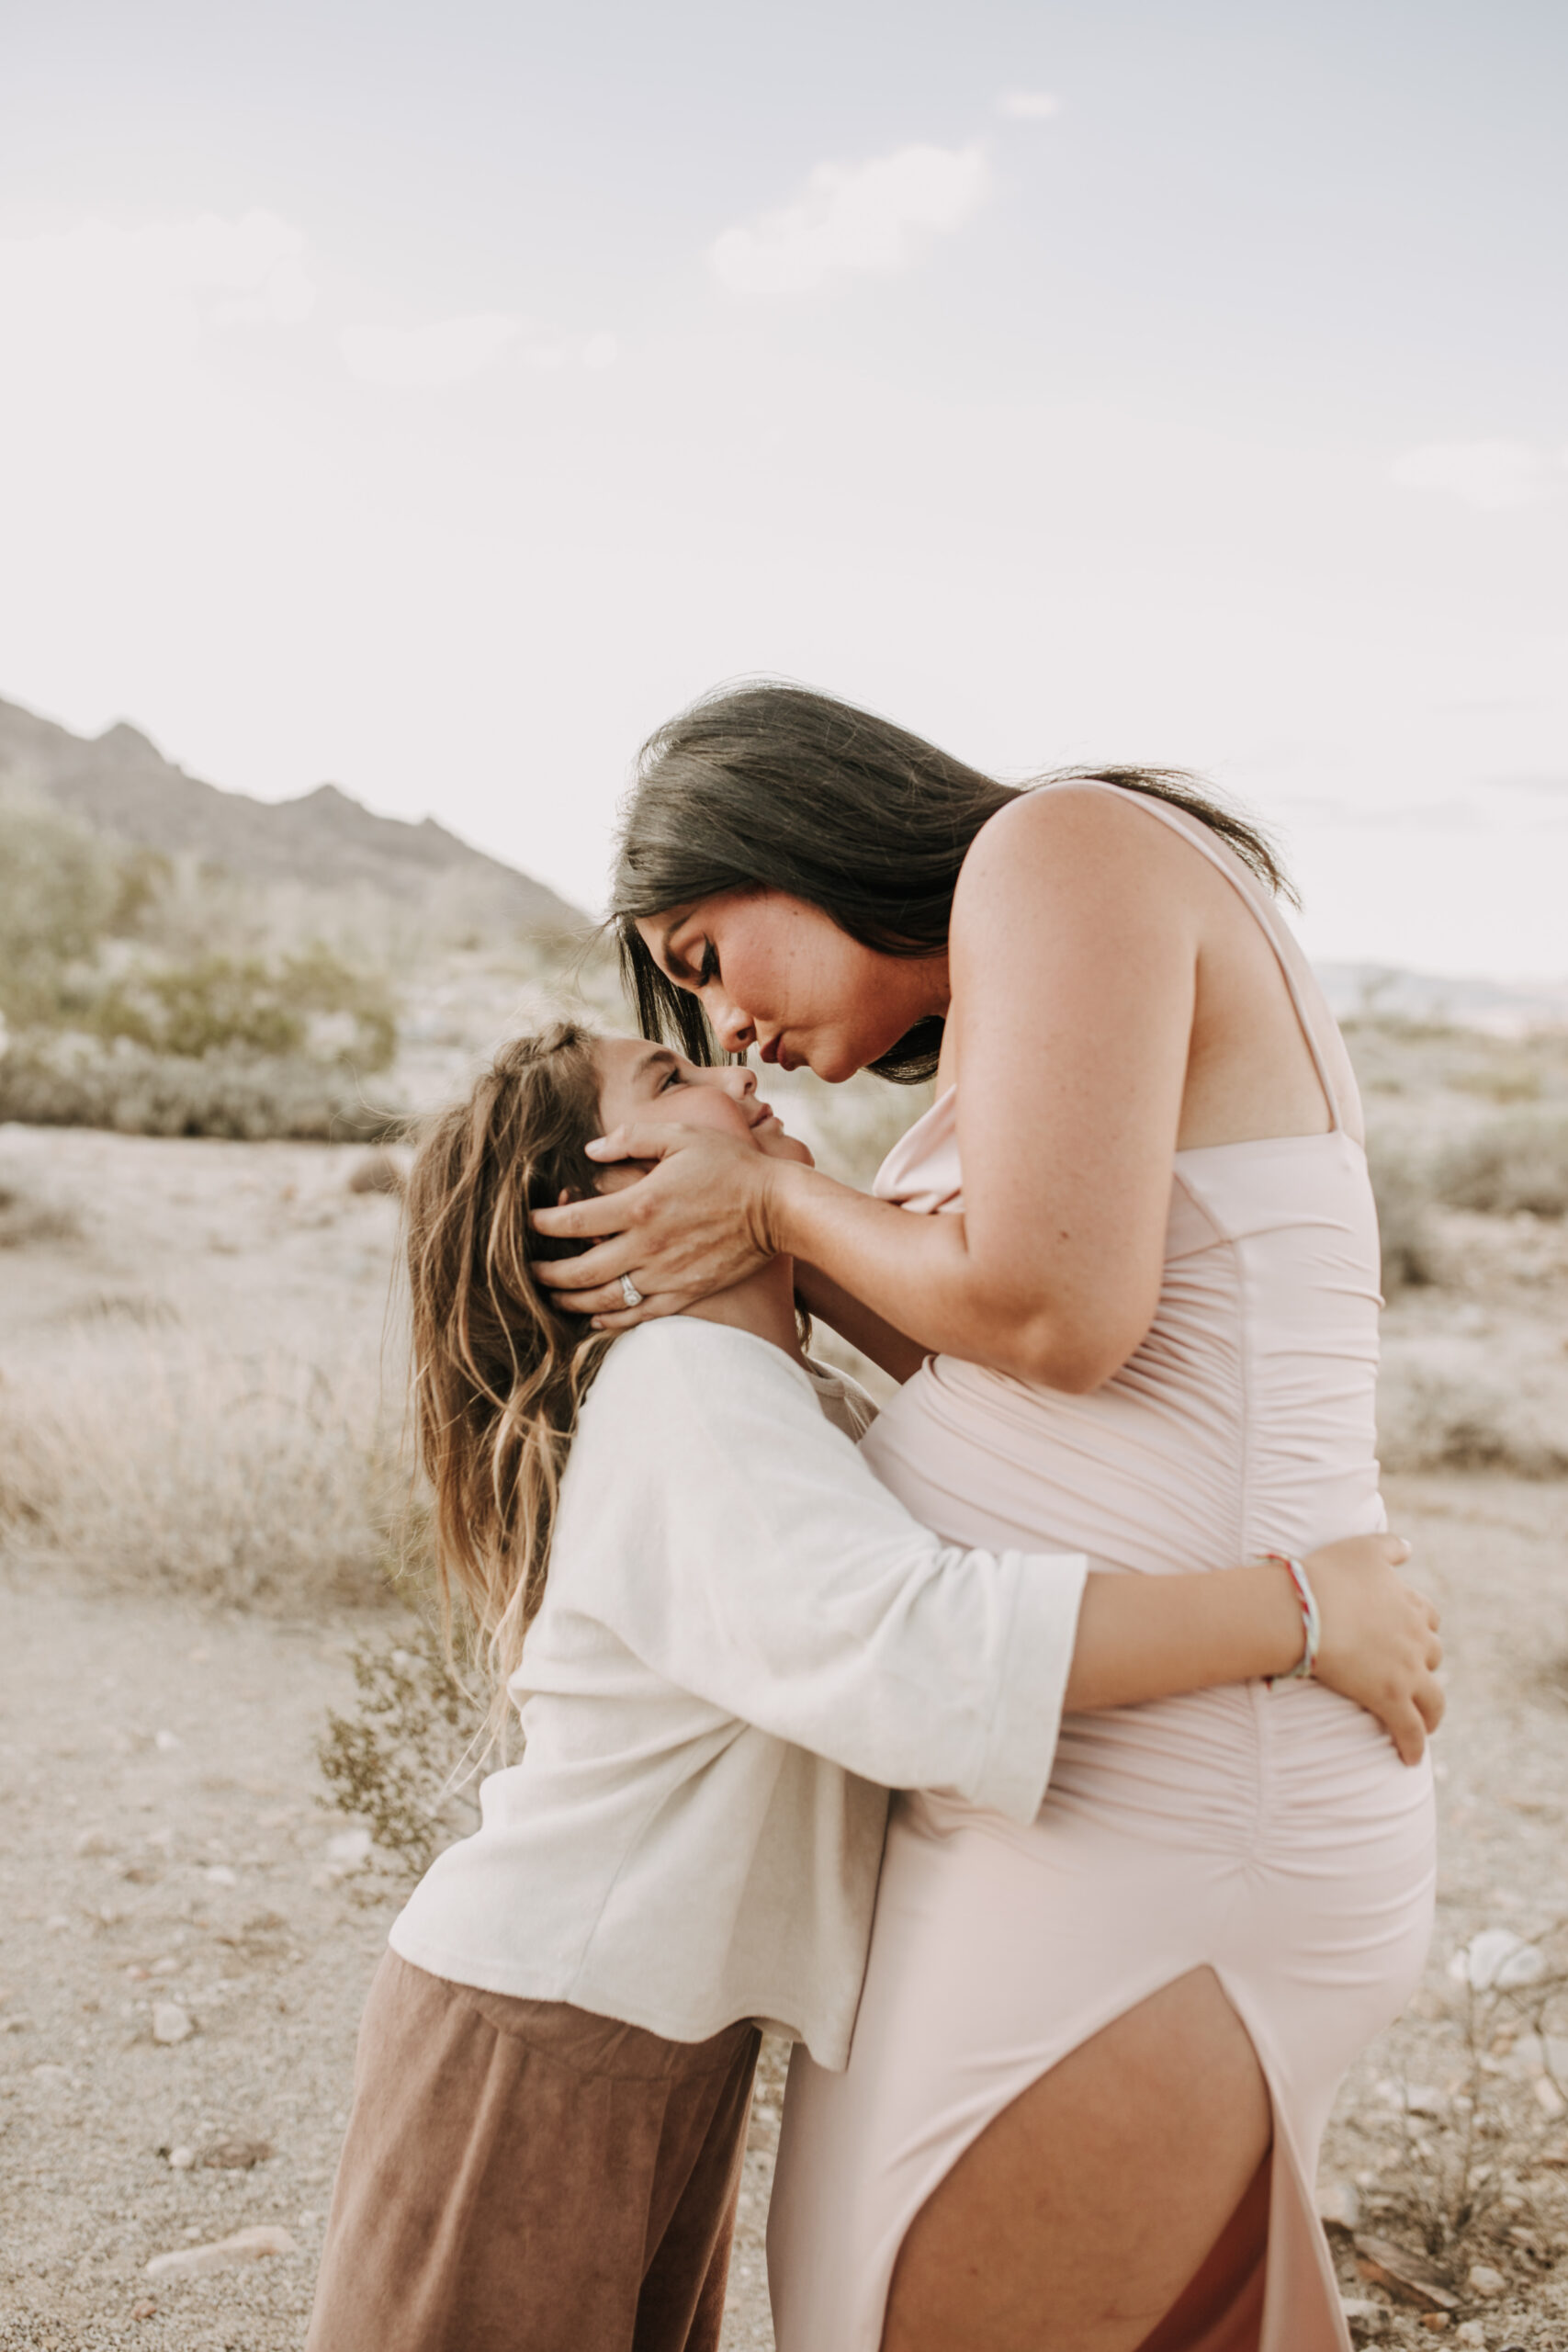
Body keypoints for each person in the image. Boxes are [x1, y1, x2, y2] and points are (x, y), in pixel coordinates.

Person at [531, 683, 1444, 2352]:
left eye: (704, 959)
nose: (728, 1027)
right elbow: (1023, 1352)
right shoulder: (1033, 941)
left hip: (1166, 1799)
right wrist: (757, 1245)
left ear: (790, 834)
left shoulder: (1056, 849)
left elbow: (1054, 1317)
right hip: (1097, 1777)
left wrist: (782, 1199)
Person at [305, 1019, 1440, 2352]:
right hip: (543, 2036)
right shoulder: (685, 1389)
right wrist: (1300, 1613)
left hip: (642, 2038)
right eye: (673, 1083)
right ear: (600, 1203)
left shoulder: (762, 1390)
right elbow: (917, 1654)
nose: (741, 1077)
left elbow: (996, 1485)